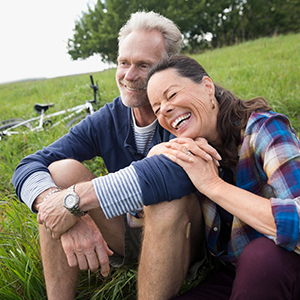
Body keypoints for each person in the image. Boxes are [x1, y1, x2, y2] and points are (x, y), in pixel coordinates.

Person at [13, 13, 217, 300]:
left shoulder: (183, 110)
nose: (128, 76)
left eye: (143, 65)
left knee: (167, 202)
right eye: (123, 63)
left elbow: (175, 175)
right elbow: (30, 164)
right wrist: (53, 204)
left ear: (167, 67)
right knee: (59, 173)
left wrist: (75, 201)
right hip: (126, 229)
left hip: (182, 239)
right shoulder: (108, 118)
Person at [142, 55, 300, 299]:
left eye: (171, 95)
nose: (165, 109)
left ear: (207, 88)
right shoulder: (190, 152)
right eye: (156, 108)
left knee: (259, 257)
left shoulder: (265, 130)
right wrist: (153, 160)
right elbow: (139, 219)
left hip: (282, 264)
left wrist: (212, 185)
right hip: (238, 275)